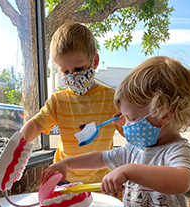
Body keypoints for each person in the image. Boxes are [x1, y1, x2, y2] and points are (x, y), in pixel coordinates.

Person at [41, 56, 190, 207]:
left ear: (164, 114)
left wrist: (129, 171)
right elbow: (101, 157)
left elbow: (183, 181)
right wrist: (68, 163)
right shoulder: (134, 149)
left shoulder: (176, 150)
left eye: (133, 119)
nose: (126, 126)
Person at [20, 22, 123, 184]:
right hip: (64, 178)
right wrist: (18, 142)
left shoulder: (113, 99)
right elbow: (36, 125)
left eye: (79, 68)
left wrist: (127, 123)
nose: (73, 76)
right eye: (65, 71)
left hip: (101, 181)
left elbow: (130, 135)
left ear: (95, 61)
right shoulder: (57, 101)